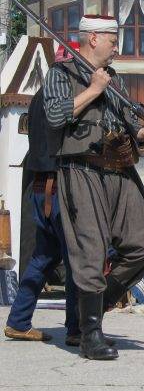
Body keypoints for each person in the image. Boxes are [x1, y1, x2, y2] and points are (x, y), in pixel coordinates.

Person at [43, 15, 144, 360]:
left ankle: (95, 310)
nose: (117, 45)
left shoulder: (116, 81)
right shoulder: (61, 74)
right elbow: (55, 117)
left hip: (120, 170)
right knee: (90, 251)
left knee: (143, 247)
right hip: (81, 168)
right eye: (113, 39)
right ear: (94, 38)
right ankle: (89, 334)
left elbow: (131, 129)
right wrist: (93, 90)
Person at [4, 90, 80, 345]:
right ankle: (75, 329)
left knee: (43, 258)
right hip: (59, 187)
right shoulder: (66, 96)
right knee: (76, 259)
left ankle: (18, 321)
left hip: (40, 187)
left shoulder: (39, 97)